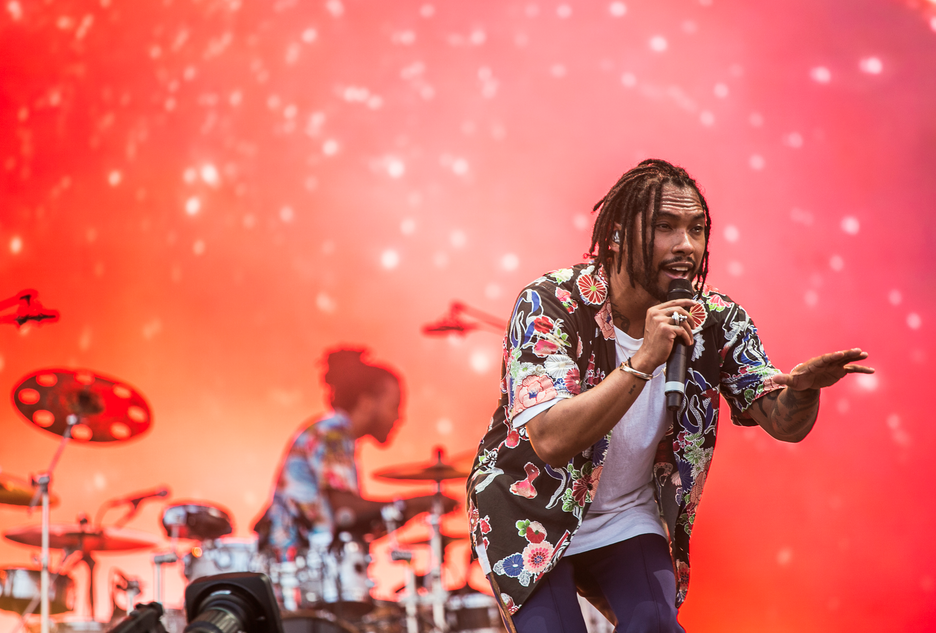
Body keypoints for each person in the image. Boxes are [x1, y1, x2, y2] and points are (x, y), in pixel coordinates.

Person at [465, 159, 873, 633]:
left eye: (697, 229)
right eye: (665, 227)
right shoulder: (552, 302)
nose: (686, 245)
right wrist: (643, 361)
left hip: (625, 513)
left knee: (656, 625)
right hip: (529, 508)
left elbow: (784, 422)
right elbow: (551, 439)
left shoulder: (715, 320)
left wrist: (803, 392)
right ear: (616, 235)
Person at [255, 348, 436, 563]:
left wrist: (414, 508)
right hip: (292, 568)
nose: (399, 417)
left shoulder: (337, 436)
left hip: (300, 566)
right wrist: (416, 504)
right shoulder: (333, 435)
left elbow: (352, 522)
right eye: (394, 406)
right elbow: (347, 513)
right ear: (367, 402)